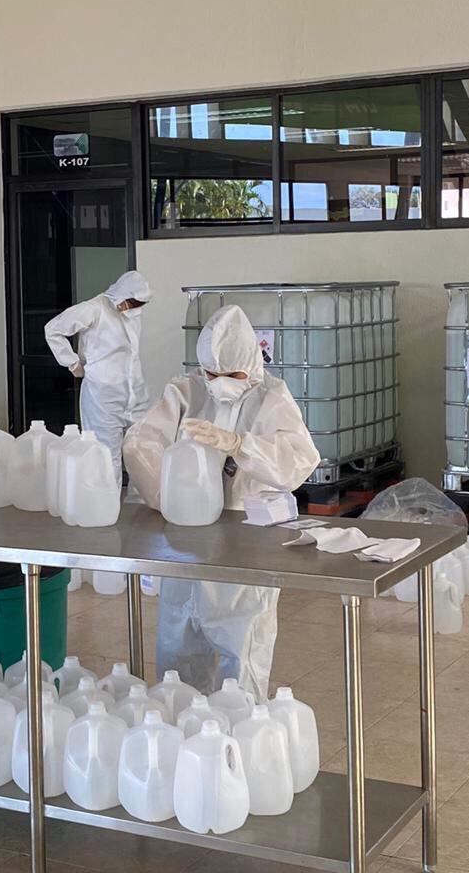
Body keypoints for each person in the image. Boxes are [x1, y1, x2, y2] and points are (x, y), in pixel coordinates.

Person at [123, 305, 320, 698]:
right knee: (179, 648)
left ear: (251, 365)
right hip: (188, 541)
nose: (220, 383)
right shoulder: (187, 391)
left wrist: (239, 444)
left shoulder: (271, 397)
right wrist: (170, 498)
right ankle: (181, 725)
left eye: (233, 375)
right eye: (212, 374)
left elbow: (299, 459)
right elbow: (140, 444)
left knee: (242, 648)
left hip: (247, 538)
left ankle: (239, 725)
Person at [44, 270, 152, 483]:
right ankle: (106, 502)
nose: (135, 308)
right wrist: (72, 362)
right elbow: (53, 329)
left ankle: (141, 501)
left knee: (142, 452)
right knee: (106, 457)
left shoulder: (132, 314)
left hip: (135, 393)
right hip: (102, 396)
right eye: (133, 303)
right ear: (121, 295)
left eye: (140, 304)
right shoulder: (93, 309)